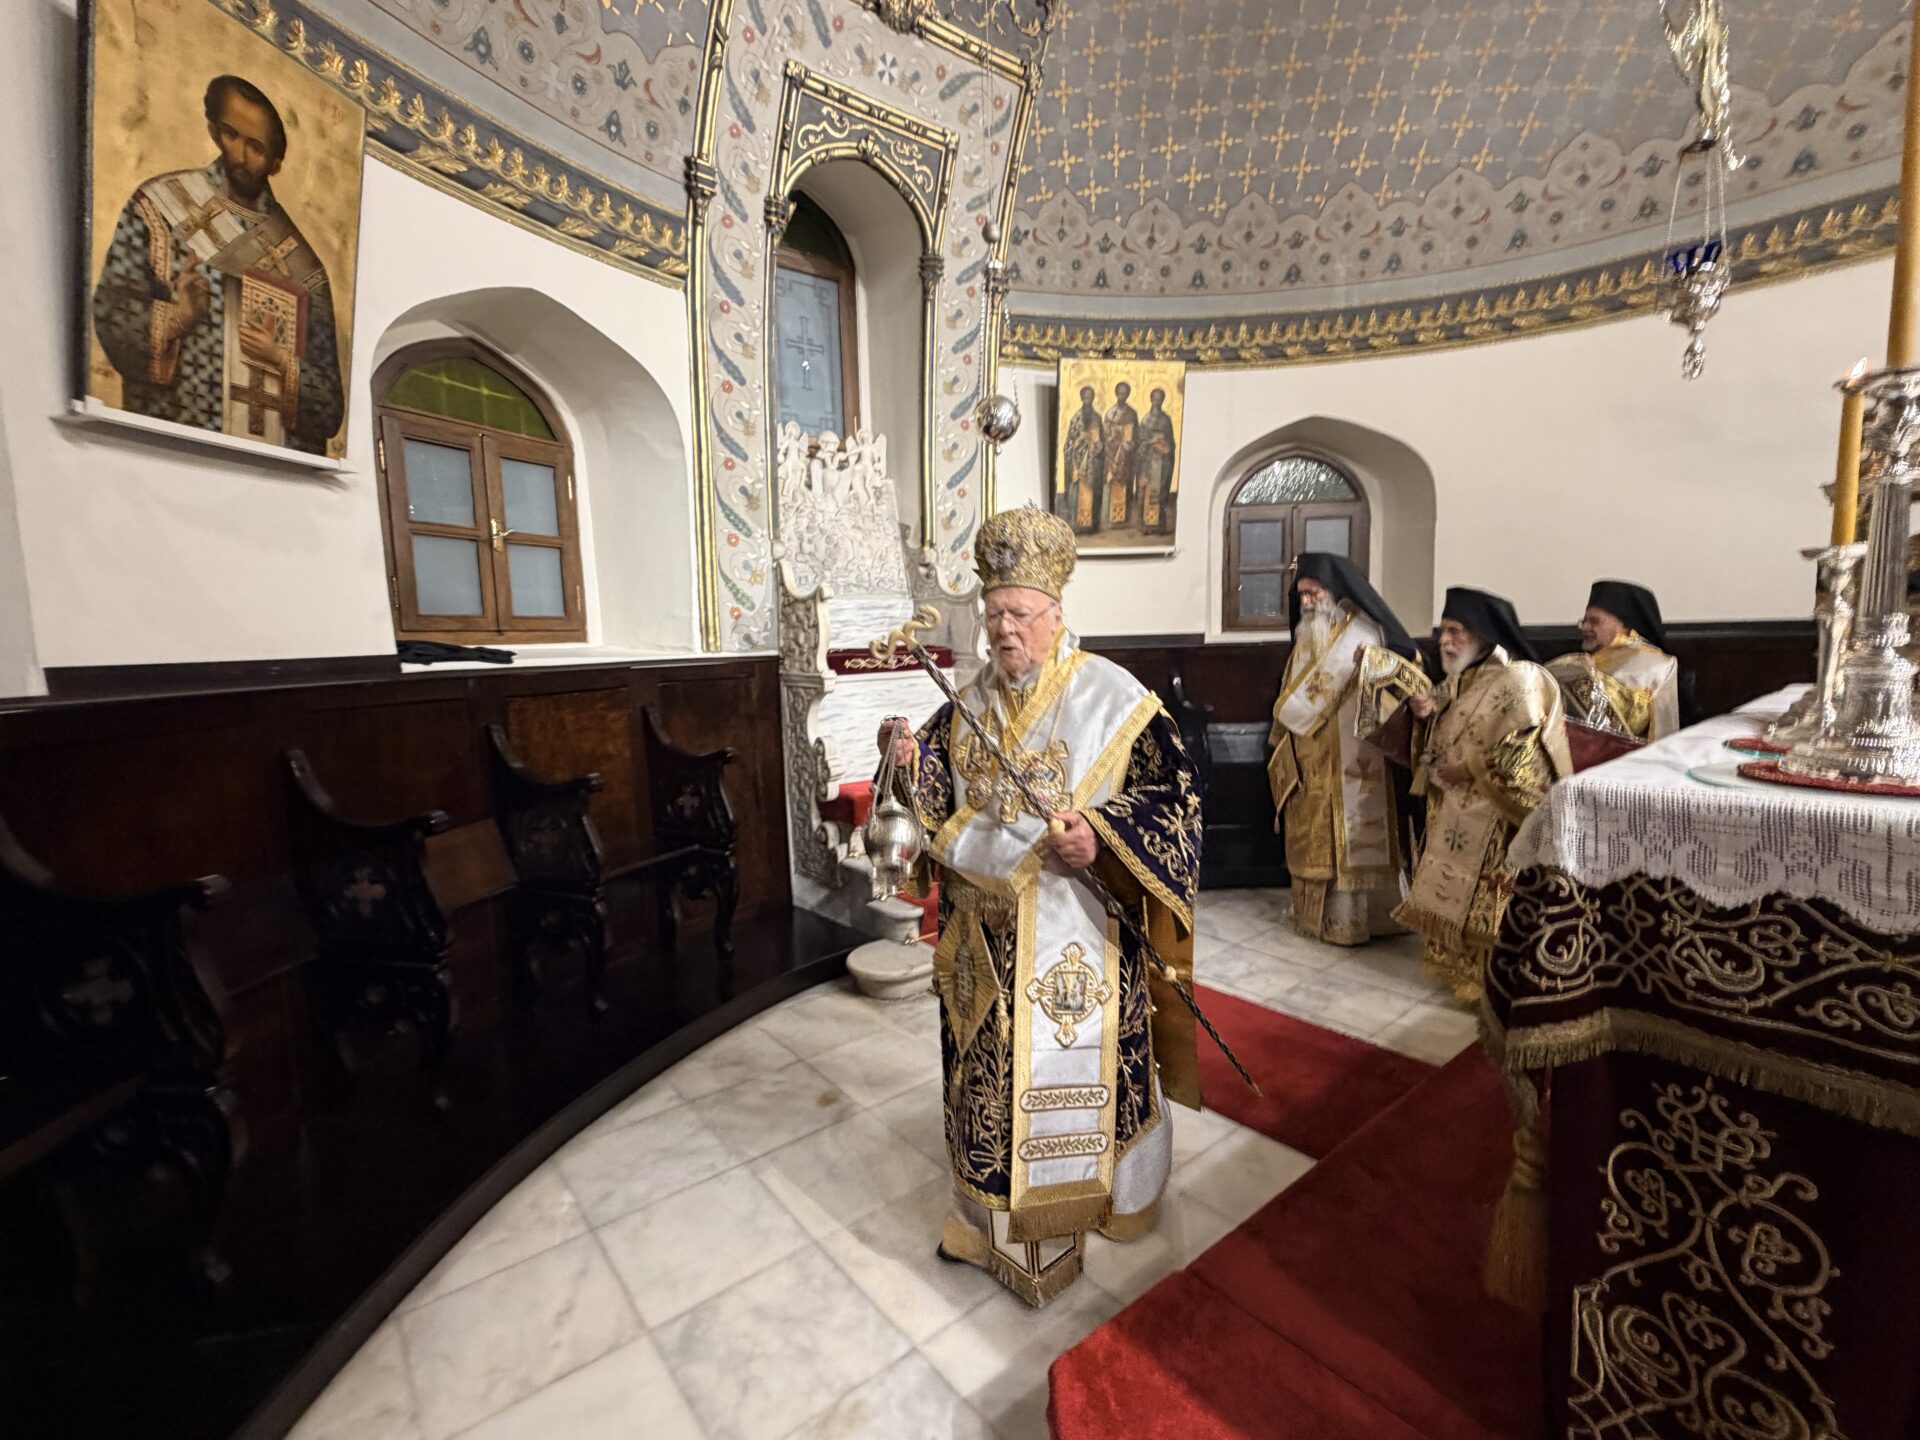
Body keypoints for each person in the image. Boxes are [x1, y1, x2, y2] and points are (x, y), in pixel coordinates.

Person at [874, 506, 1202, 1306]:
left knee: (1078, 1068)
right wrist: (905, 759)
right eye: (993, 615)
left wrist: (1102, 834)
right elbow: (932, 793)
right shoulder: (967, 703)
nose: (1004, 631)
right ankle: (986, 1221)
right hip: (980, 943)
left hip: (1074, 932)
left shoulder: (1114, 700)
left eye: (1019, 614)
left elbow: (1175, 801)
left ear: (1056, 615)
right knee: (984, 1082)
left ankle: (1106, 1202)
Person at [92, 74, 344, 454]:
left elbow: (329, 407)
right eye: (230, 134)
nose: (238, 156)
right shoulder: (161, 206)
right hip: (169, 444)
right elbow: (112, 313)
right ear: (213, 130)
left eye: (255, 147)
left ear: (276, 163)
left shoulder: (303, 266)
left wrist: (281, 360)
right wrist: (178, 317)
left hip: (272, 463)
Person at [1388, 588, 1571, 1002]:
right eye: (1443, 631)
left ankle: (1486, 980)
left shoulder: (1519, 679)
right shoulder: (1462, 676)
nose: (1444, 641)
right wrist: (1428, 712)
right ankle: (1455, 967)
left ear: (1484, 634)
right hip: (1454, 804)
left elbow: (1524, 751)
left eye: (1456, 631)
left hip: (1494, 815)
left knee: (1486, 896)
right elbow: (1450, 723)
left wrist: (1466, 769)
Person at [1267, 554, 1411, 946]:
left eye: (1313, 593)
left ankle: (1357, 919)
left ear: (1334, 591)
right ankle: (1313, 916)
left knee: (1351, 834)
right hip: (1311, 753)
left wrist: (1374, 664)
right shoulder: (1307, 633)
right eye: (1302, 595)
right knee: (1317, 835)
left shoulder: (1363, 631)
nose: (1307, 602)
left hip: (1353, 749)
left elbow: (1399, 676)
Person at [1546, 580, 1683, 740]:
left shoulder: (1654, 664)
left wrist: (1590, 681)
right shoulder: (1589, 659)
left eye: (1594, 621)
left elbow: (1629, 724)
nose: (1585, 627)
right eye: (1584, 621)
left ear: (1625, 626)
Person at [1059, 386, 1103, 533]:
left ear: (1093, 398)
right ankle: (1075, 524)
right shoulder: (1076, 418)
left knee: (1090, 492)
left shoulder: (1097, 418)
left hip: (1092, 462)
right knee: (1075, 492)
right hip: (1077, 461)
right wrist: (1080, 439)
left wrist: (1095, 443)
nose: (1087, 400)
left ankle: (1089, 526)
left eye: (1090, 397)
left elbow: (1101, 443)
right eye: (1085, 397)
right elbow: (1069, 441)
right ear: (1081, 398)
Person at [1134, 388, 1177, 535]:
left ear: (1163, 400)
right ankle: (1145, 526)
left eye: (1160, 399)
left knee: (1161, 493)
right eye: (1155, 398)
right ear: (1151, 399)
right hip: (1148, 463)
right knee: (1146, 492)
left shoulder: (1166, 420)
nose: (1157, 401)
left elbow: (1171, 442)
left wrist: (1166, 446)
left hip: (1162, 463)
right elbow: (1140, 442)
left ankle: (1159, 526)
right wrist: (1152, 442)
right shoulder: (1146, 420)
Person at [1101, 382, 1139, 529]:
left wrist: (1130, 441)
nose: (1122, 395)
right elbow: (1105, 434)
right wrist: (1116, 433)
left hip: (1126, 455)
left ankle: (1123, 519)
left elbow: (1136, 434)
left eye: (1125, 393)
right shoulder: (1110, 412)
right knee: (1111, 482)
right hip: (1112, 453)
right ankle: (1109, 518)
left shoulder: (1132, 413)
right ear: (1116, 393)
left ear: (1128, 395)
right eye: (1120, 392)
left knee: (1125, 484)